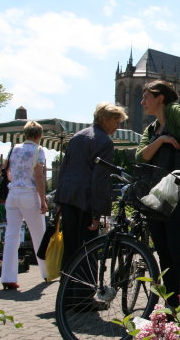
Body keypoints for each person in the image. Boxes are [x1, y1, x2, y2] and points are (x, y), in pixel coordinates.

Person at [136, 80, 180, 308]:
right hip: (159, 195)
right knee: (164, 253)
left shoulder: (174, 111)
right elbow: (140, 157)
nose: (142, 101)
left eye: (146, 97)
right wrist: (162, 140)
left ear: (160, 98)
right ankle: (173, 304)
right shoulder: (151, 128)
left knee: (177, 249)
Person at [56, 103, 127, 269]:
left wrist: (59, 200)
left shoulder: (77, 136)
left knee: (70, 250)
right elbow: (100, 180)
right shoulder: (104, 142)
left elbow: (64, 168)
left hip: (68, 198)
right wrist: (97, 213)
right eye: (116, 121)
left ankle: (66, 293)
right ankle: (83, 293)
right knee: (87, 251)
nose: (118, 126)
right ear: (105, 119)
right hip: (85, 201)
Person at [1, 121, 49, 290]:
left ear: (26, 133)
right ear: (40, 135)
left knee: (11, 236)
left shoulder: (15, 149)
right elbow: (39, 176)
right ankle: (46, 272)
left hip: (12, 194)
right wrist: (43, 200)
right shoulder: (38, 150)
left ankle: (7, 277)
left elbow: (8, 173)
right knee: (39, 236)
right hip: (29, 193)